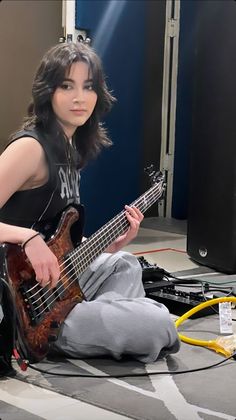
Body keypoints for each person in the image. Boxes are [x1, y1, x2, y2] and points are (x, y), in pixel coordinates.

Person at [0, 41, 180, 363]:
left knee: (124, 263)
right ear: (48, 92)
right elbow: (34, 234)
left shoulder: (70, 150)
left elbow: (55, 232)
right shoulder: (31, 149)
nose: (79, 97)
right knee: (160, 325)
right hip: (24, 301)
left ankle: (92, 321)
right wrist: (26, 238)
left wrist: (106, 246)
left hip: (58, 285)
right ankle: (62, 333)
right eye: (66, 86)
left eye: (88, 86)